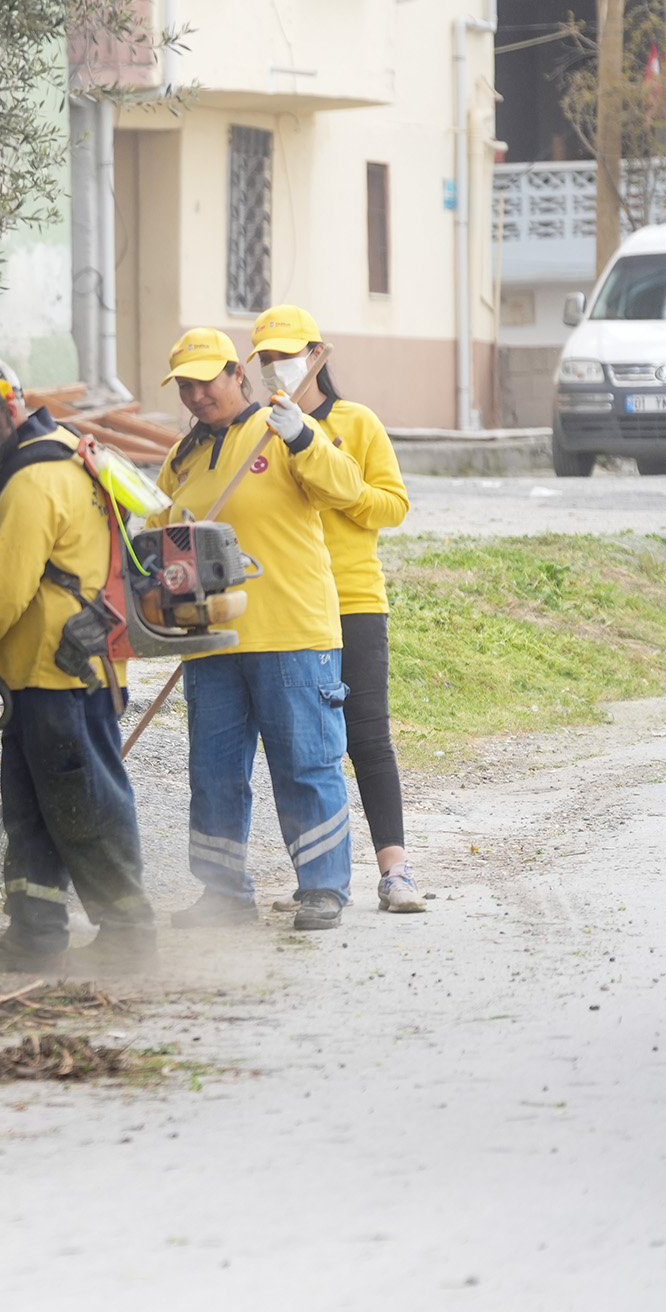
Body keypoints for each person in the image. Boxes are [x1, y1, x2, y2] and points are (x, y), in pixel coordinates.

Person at [0, 354, 157, 974]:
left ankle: (130, 933)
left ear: (6, 407)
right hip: (46, 672)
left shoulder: (33, 478)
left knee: (85, 806)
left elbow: (6, 590)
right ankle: (35, 932)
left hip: (62, 674)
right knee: (33, 807)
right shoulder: (64, 446)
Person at [155, 328, 369, 931]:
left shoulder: (284, 428)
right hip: (211, 638)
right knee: (214, 774)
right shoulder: (185, 455)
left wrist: (303, 436)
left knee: (305, 764)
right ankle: (223, 894)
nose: (197, 396)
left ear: (236, 374)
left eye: (207, 381)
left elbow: (346, 488)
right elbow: (156, 523)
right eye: (186, 387)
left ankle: (323, 888)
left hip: (291, 633)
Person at [250, 306, 423, 914]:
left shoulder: (357, 422)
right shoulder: (258, 432)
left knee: (367, 735)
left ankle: (395, 871)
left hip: (352, 600)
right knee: (301, 744)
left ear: (318, 353)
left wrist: (340, 490)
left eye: (287, 354)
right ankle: (318, 878)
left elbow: (393, 506)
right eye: (265, 359)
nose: (277, 367)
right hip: (291, 606)